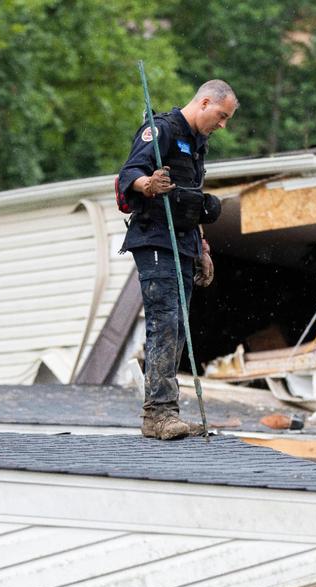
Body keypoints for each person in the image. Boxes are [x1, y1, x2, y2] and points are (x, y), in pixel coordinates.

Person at [117, 80, 237, 440]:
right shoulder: (163, 129)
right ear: (204, 102)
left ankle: (167, 410)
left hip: (184, 242)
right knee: (165, 321)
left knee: (179, 326)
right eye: (221, 116)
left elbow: (191, 200)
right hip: (154, 238)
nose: (223, 125)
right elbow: (129, 173)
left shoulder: (198, 145)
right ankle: (158, 415)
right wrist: (147, 185)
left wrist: (202, 247)